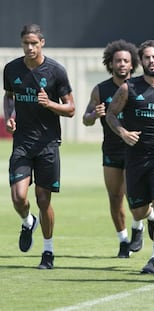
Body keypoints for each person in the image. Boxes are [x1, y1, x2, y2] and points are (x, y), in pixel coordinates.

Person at [3, 24, 76, 269]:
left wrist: (50, 104)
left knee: (43, 200)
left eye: (34, 43)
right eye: (26, 43)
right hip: (22, 142)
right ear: (22, 44)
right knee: (18, 197)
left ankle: (48, 251)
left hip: (47, 144)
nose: (30, 48)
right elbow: (9, 95)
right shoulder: (11, 69)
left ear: (42, 42)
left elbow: (71, 109)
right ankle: (27, 221)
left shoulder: (56, 71)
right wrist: (10, 116)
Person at [106, 39, 154, 274]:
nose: (151, 61)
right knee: (138, 210)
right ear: (141, 61)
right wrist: (123, 132)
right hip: (135, 157)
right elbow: (110, 114)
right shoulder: (128, 88)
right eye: (146, 57)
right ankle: (145, 220)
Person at [82, 39, 154, 258]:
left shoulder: (139, 87)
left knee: (135, 196)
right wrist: (95, 114)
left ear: (133, 63)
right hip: (112, 150)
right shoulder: (100, 89)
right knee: (115, 197)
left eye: (126, 60)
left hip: (136, 149)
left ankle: (142, 221)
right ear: (110, 63)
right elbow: (85, 119)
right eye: (117, 61)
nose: (122, 64)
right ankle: (123, 240)